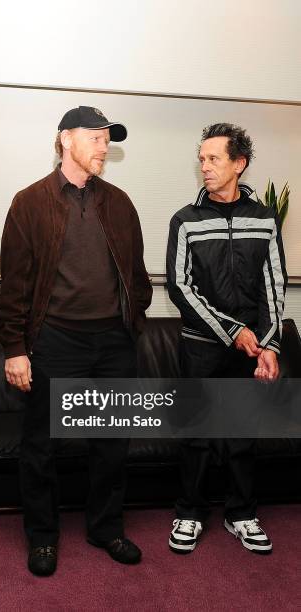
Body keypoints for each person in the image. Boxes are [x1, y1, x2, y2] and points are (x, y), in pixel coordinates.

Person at [0, 106, 152, 576]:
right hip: (55, 341)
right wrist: (15, 348)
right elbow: (15, 285)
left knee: (112, 444)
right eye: (96, 138)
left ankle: (106, 527)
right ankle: (42, 537)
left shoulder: (120, 203)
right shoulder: (30, 202)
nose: (105, 147)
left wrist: (130, 319)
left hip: (112, 343)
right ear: (66, 140)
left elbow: (138, 276)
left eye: (108, 139)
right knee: (41, 445)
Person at [166, 123, 287, 555]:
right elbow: (180, 288)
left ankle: (241, 514)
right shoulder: (185, 221)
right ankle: (190, 512)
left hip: (251, 348)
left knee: (241, 433)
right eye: (201, 159)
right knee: (195, 433)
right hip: (200, 346)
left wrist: (269, 345)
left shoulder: (266, 219)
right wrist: (231, 331)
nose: (205, 166)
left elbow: (274, 286)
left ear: (240, 163)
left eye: (214, 159)